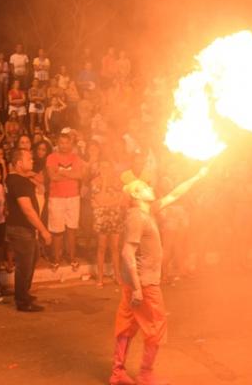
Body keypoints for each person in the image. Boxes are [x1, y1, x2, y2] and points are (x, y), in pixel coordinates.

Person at [109, 166, 209, 385]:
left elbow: (174, 194)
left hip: (136, 282)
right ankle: (145, 375)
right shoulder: (137, 217)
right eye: (144, 187)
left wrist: (198, 175)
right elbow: (126, 252)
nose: (149, 187)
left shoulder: (148, 211)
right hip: (144, 284)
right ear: (136, 195)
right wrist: (137, 288)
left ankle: (117, 374)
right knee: (156, 327)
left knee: (126, 325)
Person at [6, 148, 52, 312]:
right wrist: (44, 231)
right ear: (19, 163)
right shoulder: (17, 181)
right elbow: (27, 209)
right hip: (21, 228)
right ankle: (22, 301)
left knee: (32, 259)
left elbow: (40, 185)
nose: (32, 161)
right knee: (24, 265)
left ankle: (24, 292)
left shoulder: (18, 178)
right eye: (28, 159)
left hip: (24, 228)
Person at [46, 133, 83, 270]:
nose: (64, 145)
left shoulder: (76, 158)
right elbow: (52, 177)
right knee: (57, 231)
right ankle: (56, 259)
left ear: (71, 144)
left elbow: (79, 175)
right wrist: (70, 174)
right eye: (61, 143)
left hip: (73, 197)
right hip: (56, 198)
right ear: (57, 143)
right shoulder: (51, 157)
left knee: (72, 229)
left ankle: (72, 258)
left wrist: (61, 172)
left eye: (66, 143)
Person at [91, 160, 124, 288]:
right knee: (101, 247)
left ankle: (117, 275)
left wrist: (105, 203)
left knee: (115, 247)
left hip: (114, 216)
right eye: (102, 167)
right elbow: (100, 199)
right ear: (99, 168)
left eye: (108, 167)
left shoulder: (117, 181)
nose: (105, 170)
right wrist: (104, 184)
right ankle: (100, 277)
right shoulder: (95, 182)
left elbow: (120, 200)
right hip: (102, 218)